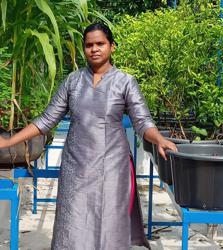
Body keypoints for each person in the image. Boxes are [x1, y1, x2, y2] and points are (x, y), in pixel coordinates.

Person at [0, 22, 177, 250]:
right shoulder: (73, 81)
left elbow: (142, 122)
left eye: (100, 44)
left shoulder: (125, 82)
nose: (94, 49)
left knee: (109, 225)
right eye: (89, 45)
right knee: (72, 224)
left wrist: (159, 139)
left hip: (113, 167)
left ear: (112, 46)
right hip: (76, 166)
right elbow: (46, 120)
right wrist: (7, 142)